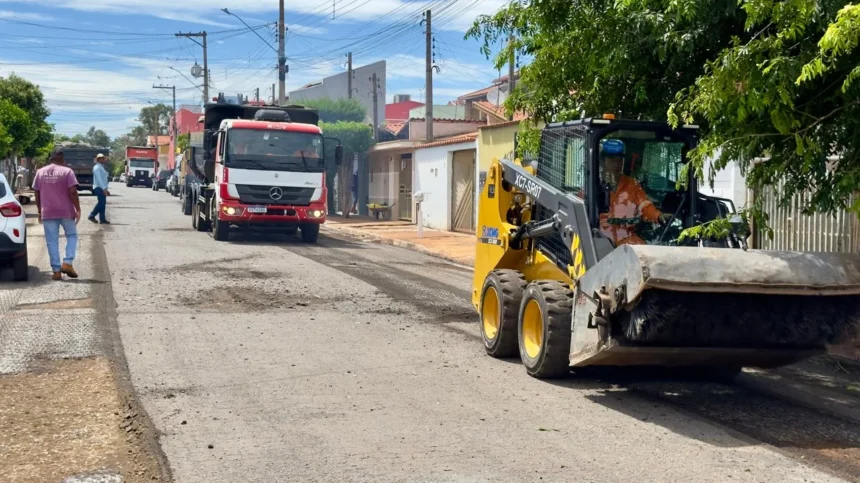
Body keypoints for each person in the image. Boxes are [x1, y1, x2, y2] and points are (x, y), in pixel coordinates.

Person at [598, 139, 670, 246]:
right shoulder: (593, 185)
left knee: (644, 255)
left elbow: (645, 206)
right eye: (612, 159)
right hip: (599, 239)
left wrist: (658, 216)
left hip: (627, 238)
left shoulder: (632, 185)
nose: (616, 164)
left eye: (619, 160)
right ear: (602, 161)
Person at [33, 145, 81, 281]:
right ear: (62, 159)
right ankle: (67, 262)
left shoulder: (40, 172)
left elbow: (36, 192)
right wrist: (78, 209)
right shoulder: (67, 171)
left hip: (47, 212)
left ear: (50, 159)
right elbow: (73, 192)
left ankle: (56, 271)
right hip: (66, 211)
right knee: (71, 235)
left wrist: (39, 211)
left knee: (52, 241)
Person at [88, 153, 111, 224]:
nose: (103, 160)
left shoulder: (101, 167)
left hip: (102, 187)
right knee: (101, 203)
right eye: (102, 158)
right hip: (98, 187)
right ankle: (92, 215)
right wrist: (104, 189)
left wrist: (105, 188)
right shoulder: (97, 167)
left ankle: (102, 219)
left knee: (102, 204)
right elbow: (99, 179)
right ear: (98, 160)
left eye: (103, 158)